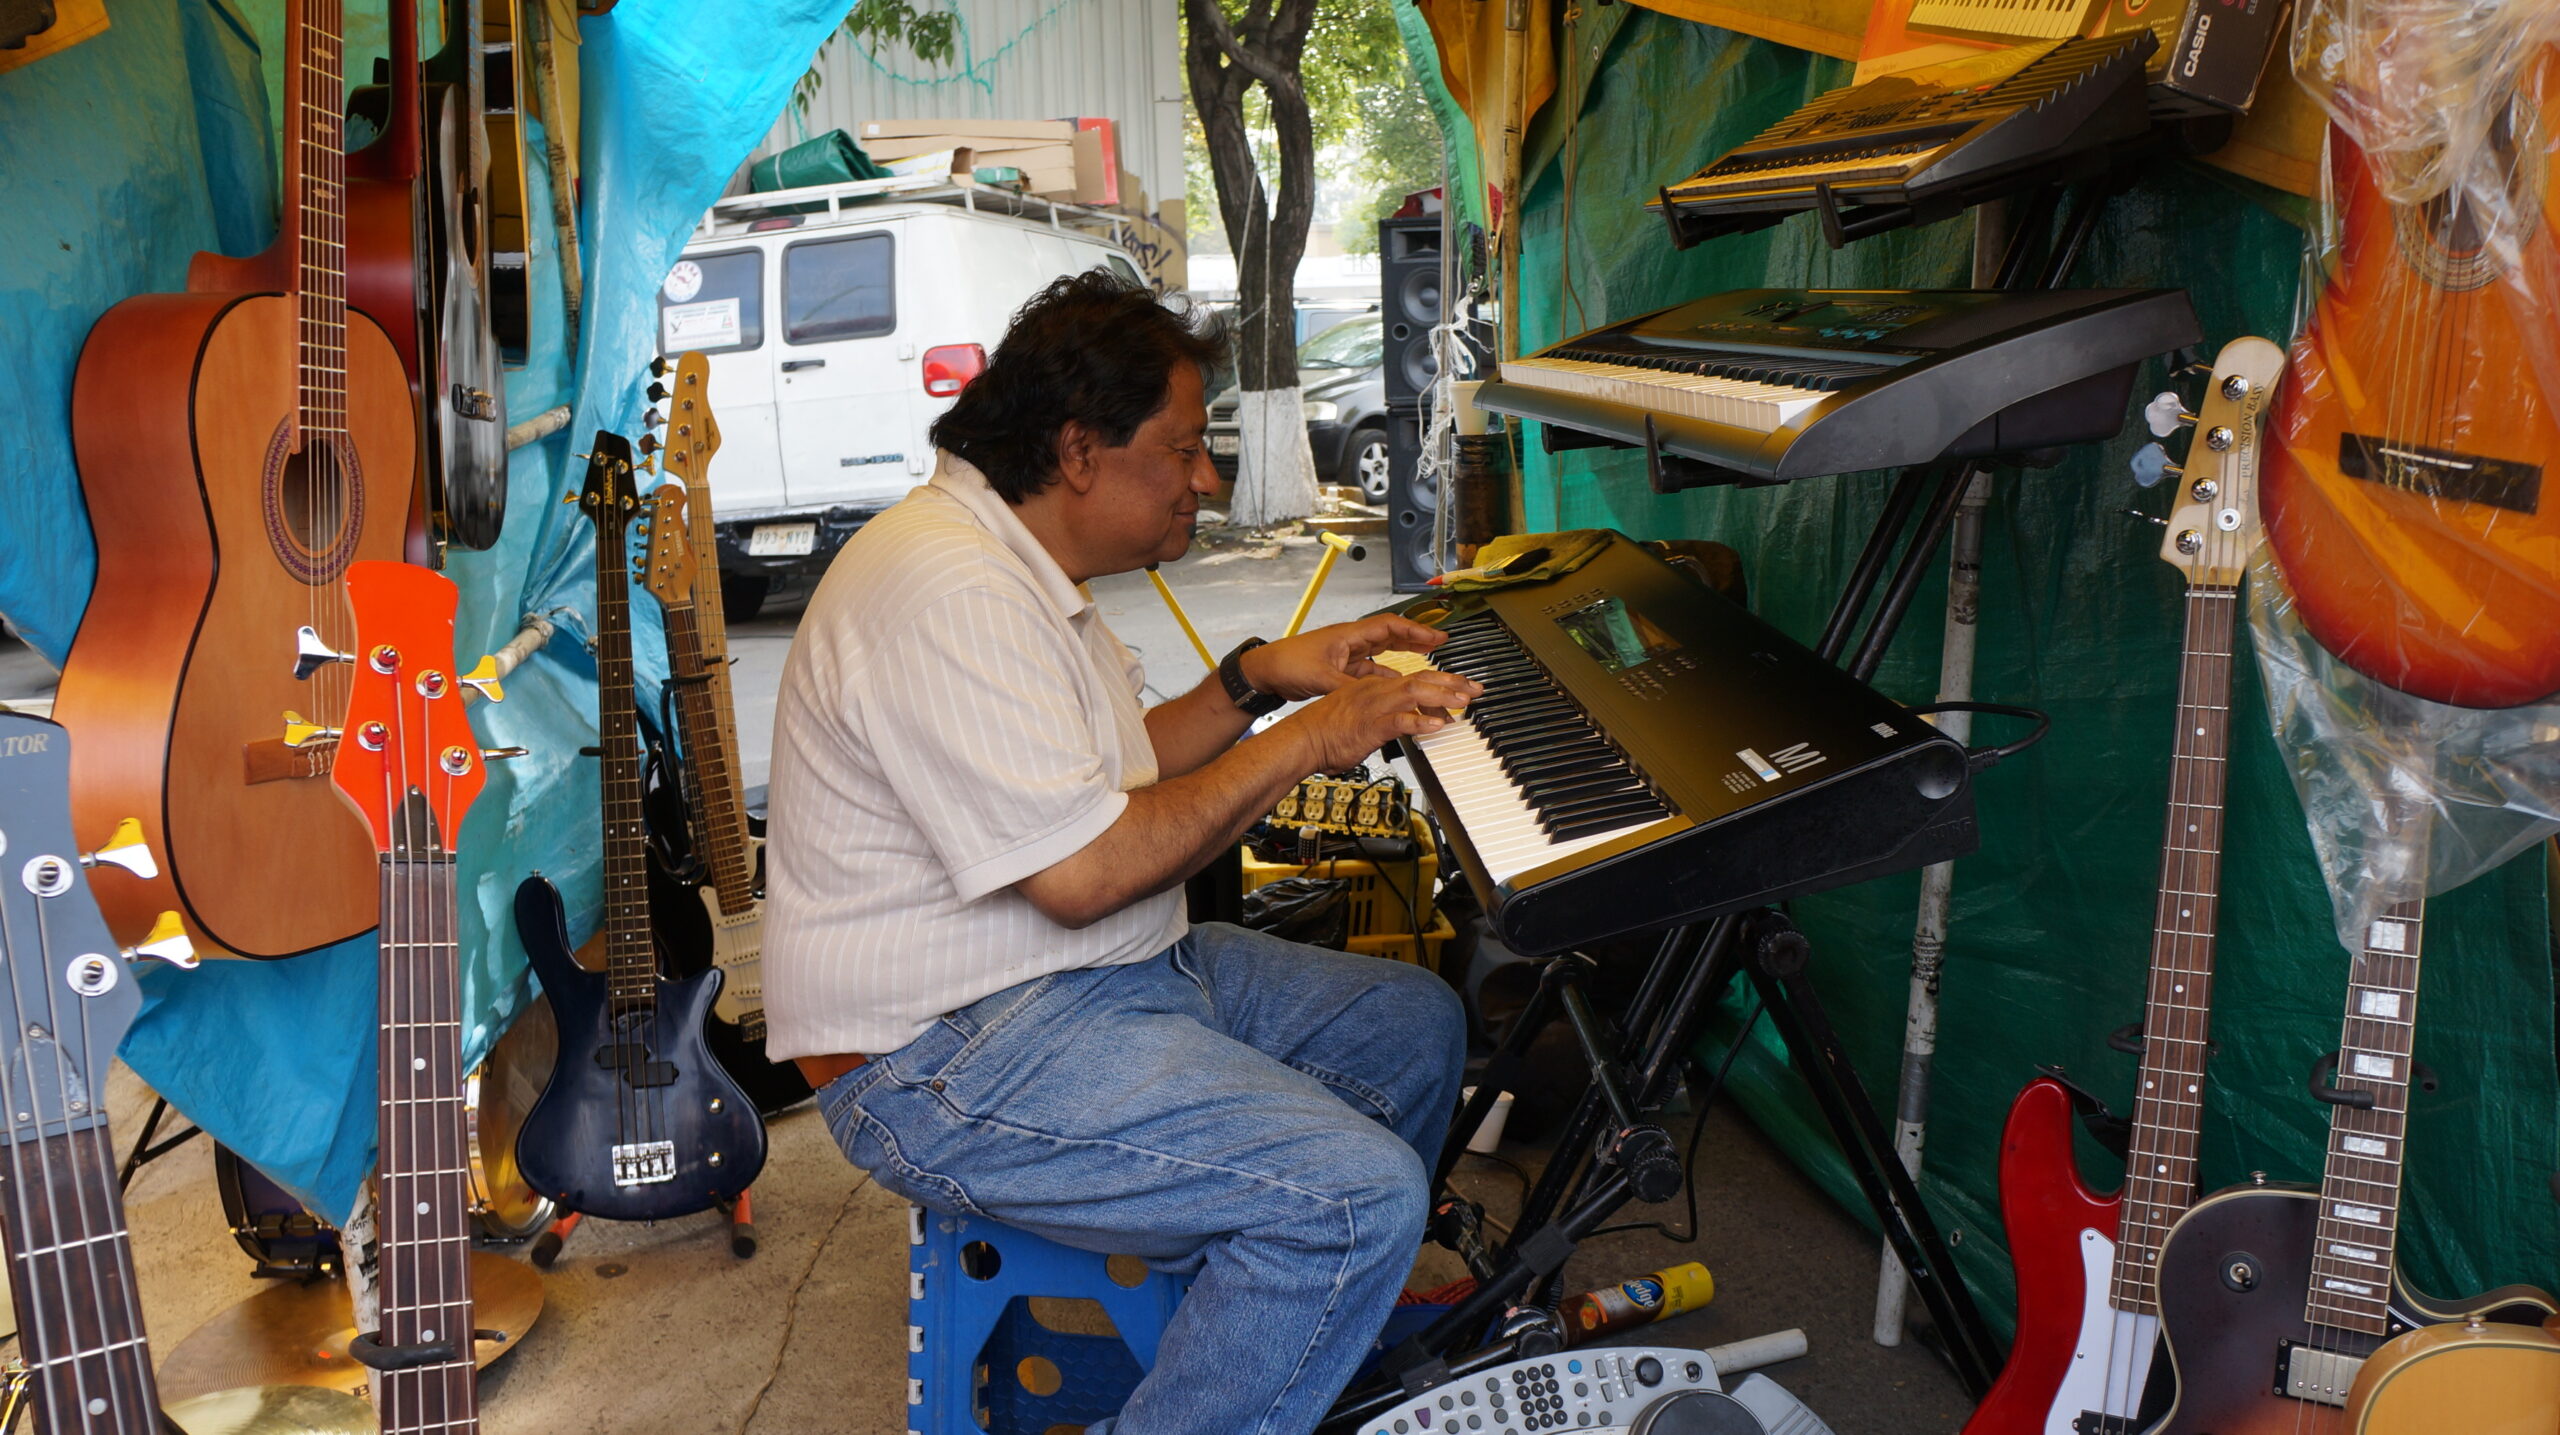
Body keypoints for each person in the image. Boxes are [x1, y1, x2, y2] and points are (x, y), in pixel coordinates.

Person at [763, 269, 1481, 1435]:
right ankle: (1270, 1323)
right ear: (1081, 449)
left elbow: (1103, 776)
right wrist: (1310, 738)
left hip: (1081, 984)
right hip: (937, 1056)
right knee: (1350, 1199)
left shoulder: (1011, 562)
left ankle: (1283, 1345)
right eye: (1186, 447)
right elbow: (1084, 869)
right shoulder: (946, 588)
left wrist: (1256, 680)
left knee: (1410, 1022)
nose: (1206, 478)